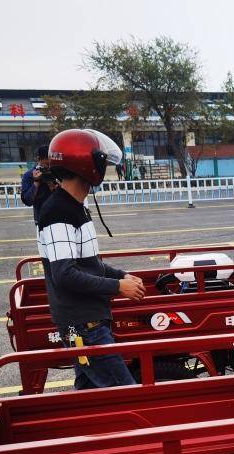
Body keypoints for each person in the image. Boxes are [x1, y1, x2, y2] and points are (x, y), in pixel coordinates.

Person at [36, 128, 146, 389]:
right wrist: (118, 287)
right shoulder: (58, 212)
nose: (104, 168)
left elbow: (89, 264)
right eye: (102, 162)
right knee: (126, 394)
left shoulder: (75, 206)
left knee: (89, 393)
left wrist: (120, 276)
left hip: (83, 326)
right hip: (84, 327)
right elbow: (64, 274)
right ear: (87, 165)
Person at [20, 145, 57, 225]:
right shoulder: (29, 175)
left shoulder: (56, 173)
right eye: (46, 164)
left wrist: (54, 188)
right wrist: (36, 182)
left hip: (60, 219)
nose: (48, 167)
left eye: (50, 163)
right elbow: (27, 201)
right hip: (41, 220)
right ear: (38, 159)